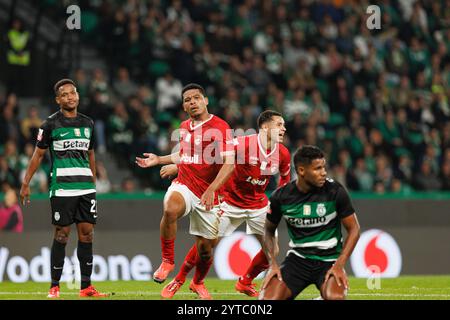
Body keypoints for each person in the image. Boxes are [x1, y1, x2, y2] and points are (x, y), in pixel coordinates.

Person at [160, 110, 291, 299]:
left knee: (273, 250)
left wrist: (279, 202)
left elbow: (284, 180)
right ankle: (179, 280)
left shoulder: (283, 153)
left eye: (283, 125)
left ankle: (245, 282)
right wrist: (178, 166)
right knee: (207, 243)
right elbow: (208, 156)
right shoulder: (243, 144)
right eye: (279, 124)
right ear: (264, 127)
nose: (283, 129)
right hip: (229, 201)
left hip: (258, 205)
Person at [135, 83, 235, 299]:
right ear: (183, 106)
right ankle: (167, 261)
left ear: (206, 101)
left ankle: (197, 282)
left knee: (206, 249)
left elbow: (229, 164)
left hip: (211, 193)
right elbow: (187, 154)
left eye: (197, 97)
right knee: (171, 209)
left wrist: (212, 189)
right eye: (188, 99)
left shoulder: (221, 127)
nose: (193, 102)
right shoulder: (184, 126)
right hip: (186, 185)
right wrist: (160, 160)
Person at [19, 79, 107, 298]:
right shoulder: (49, 124)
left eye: (73, 93)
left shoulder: (88, 123)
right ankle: (54, 286)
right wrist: (26, 182)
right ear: (58, 100)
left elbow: (91, 153)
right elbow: (38, 154)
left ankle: (86, 287)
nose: (70, 97)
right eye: (65, 95)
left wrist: (93, 180)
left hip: (85, 186)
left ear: (77, 95)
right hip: (62, 188)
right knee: (62, 235)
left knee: (87, 235)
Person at [260, 145, 360, 300]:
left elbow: (354, 229)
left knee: (335, 298)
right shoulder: (281, 197)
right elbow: (268, 230)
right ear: (301, 171)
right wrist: (272, 263)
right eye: (317, 168)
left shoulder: (335, 191)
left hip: (329, 261)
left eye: (324, 167)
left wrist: (340, 264)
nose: (324, 173)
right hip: (297, 261)